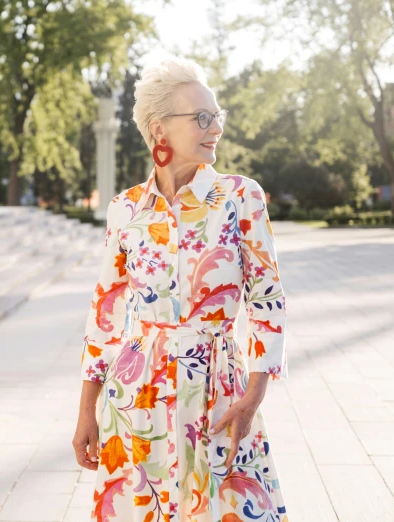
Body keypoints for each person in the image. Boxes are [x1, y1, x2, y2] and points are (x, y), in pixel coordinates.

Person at [72, 56, 290, 522]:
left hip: (219, 391)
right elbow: (106, 310)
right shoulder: (125, 209)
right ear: (160, 130)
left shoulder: (239, 196)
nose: (216, 129)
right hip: (137, 395)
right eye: (202, 118)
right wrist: (86, 411)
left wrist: (253, 397)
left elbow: (267, 298)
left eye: (218, 116)